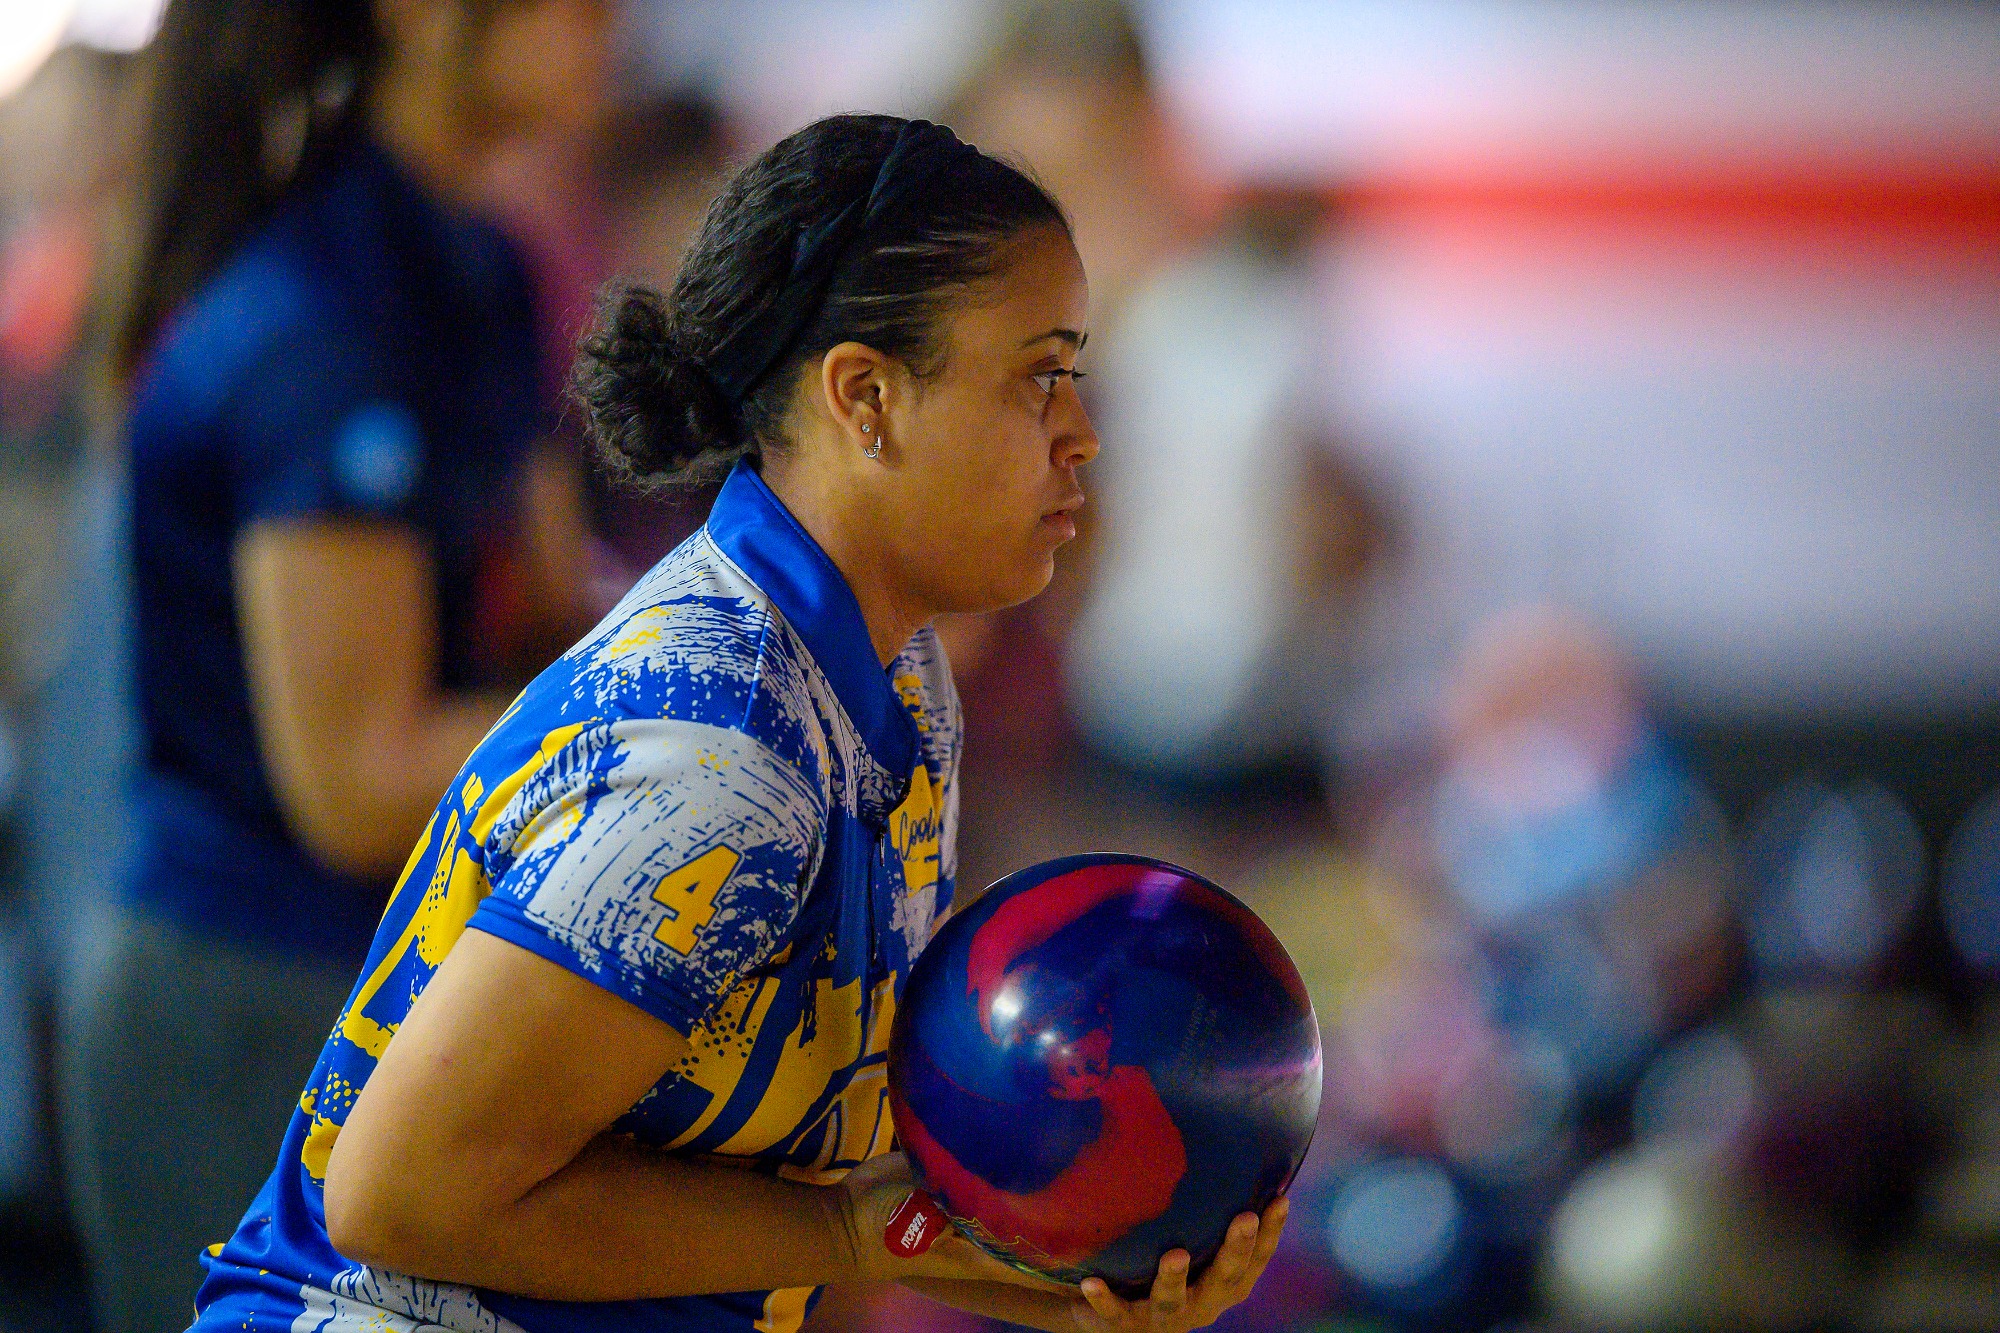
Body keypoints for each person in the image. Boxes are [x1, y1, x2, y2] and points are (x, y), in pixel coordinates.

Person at [189, 113, 1288, 1333]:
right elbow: (394, 1196)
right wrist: (841, 1236)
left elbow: (809, 1166)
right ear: (864, 398)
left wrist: (1050, 1251)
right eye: (1040, 373)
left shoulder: (897, 682)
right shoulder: (721, 747)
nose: (1081, 430)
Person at [62, 1, 606, 1328]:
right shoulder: (318, 315)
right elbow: (358, 781)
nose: (610, 20)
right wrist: (683, 721)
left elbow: (546, 611)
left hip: (403, 973)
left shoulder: (481, 268)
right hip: (253, 997)